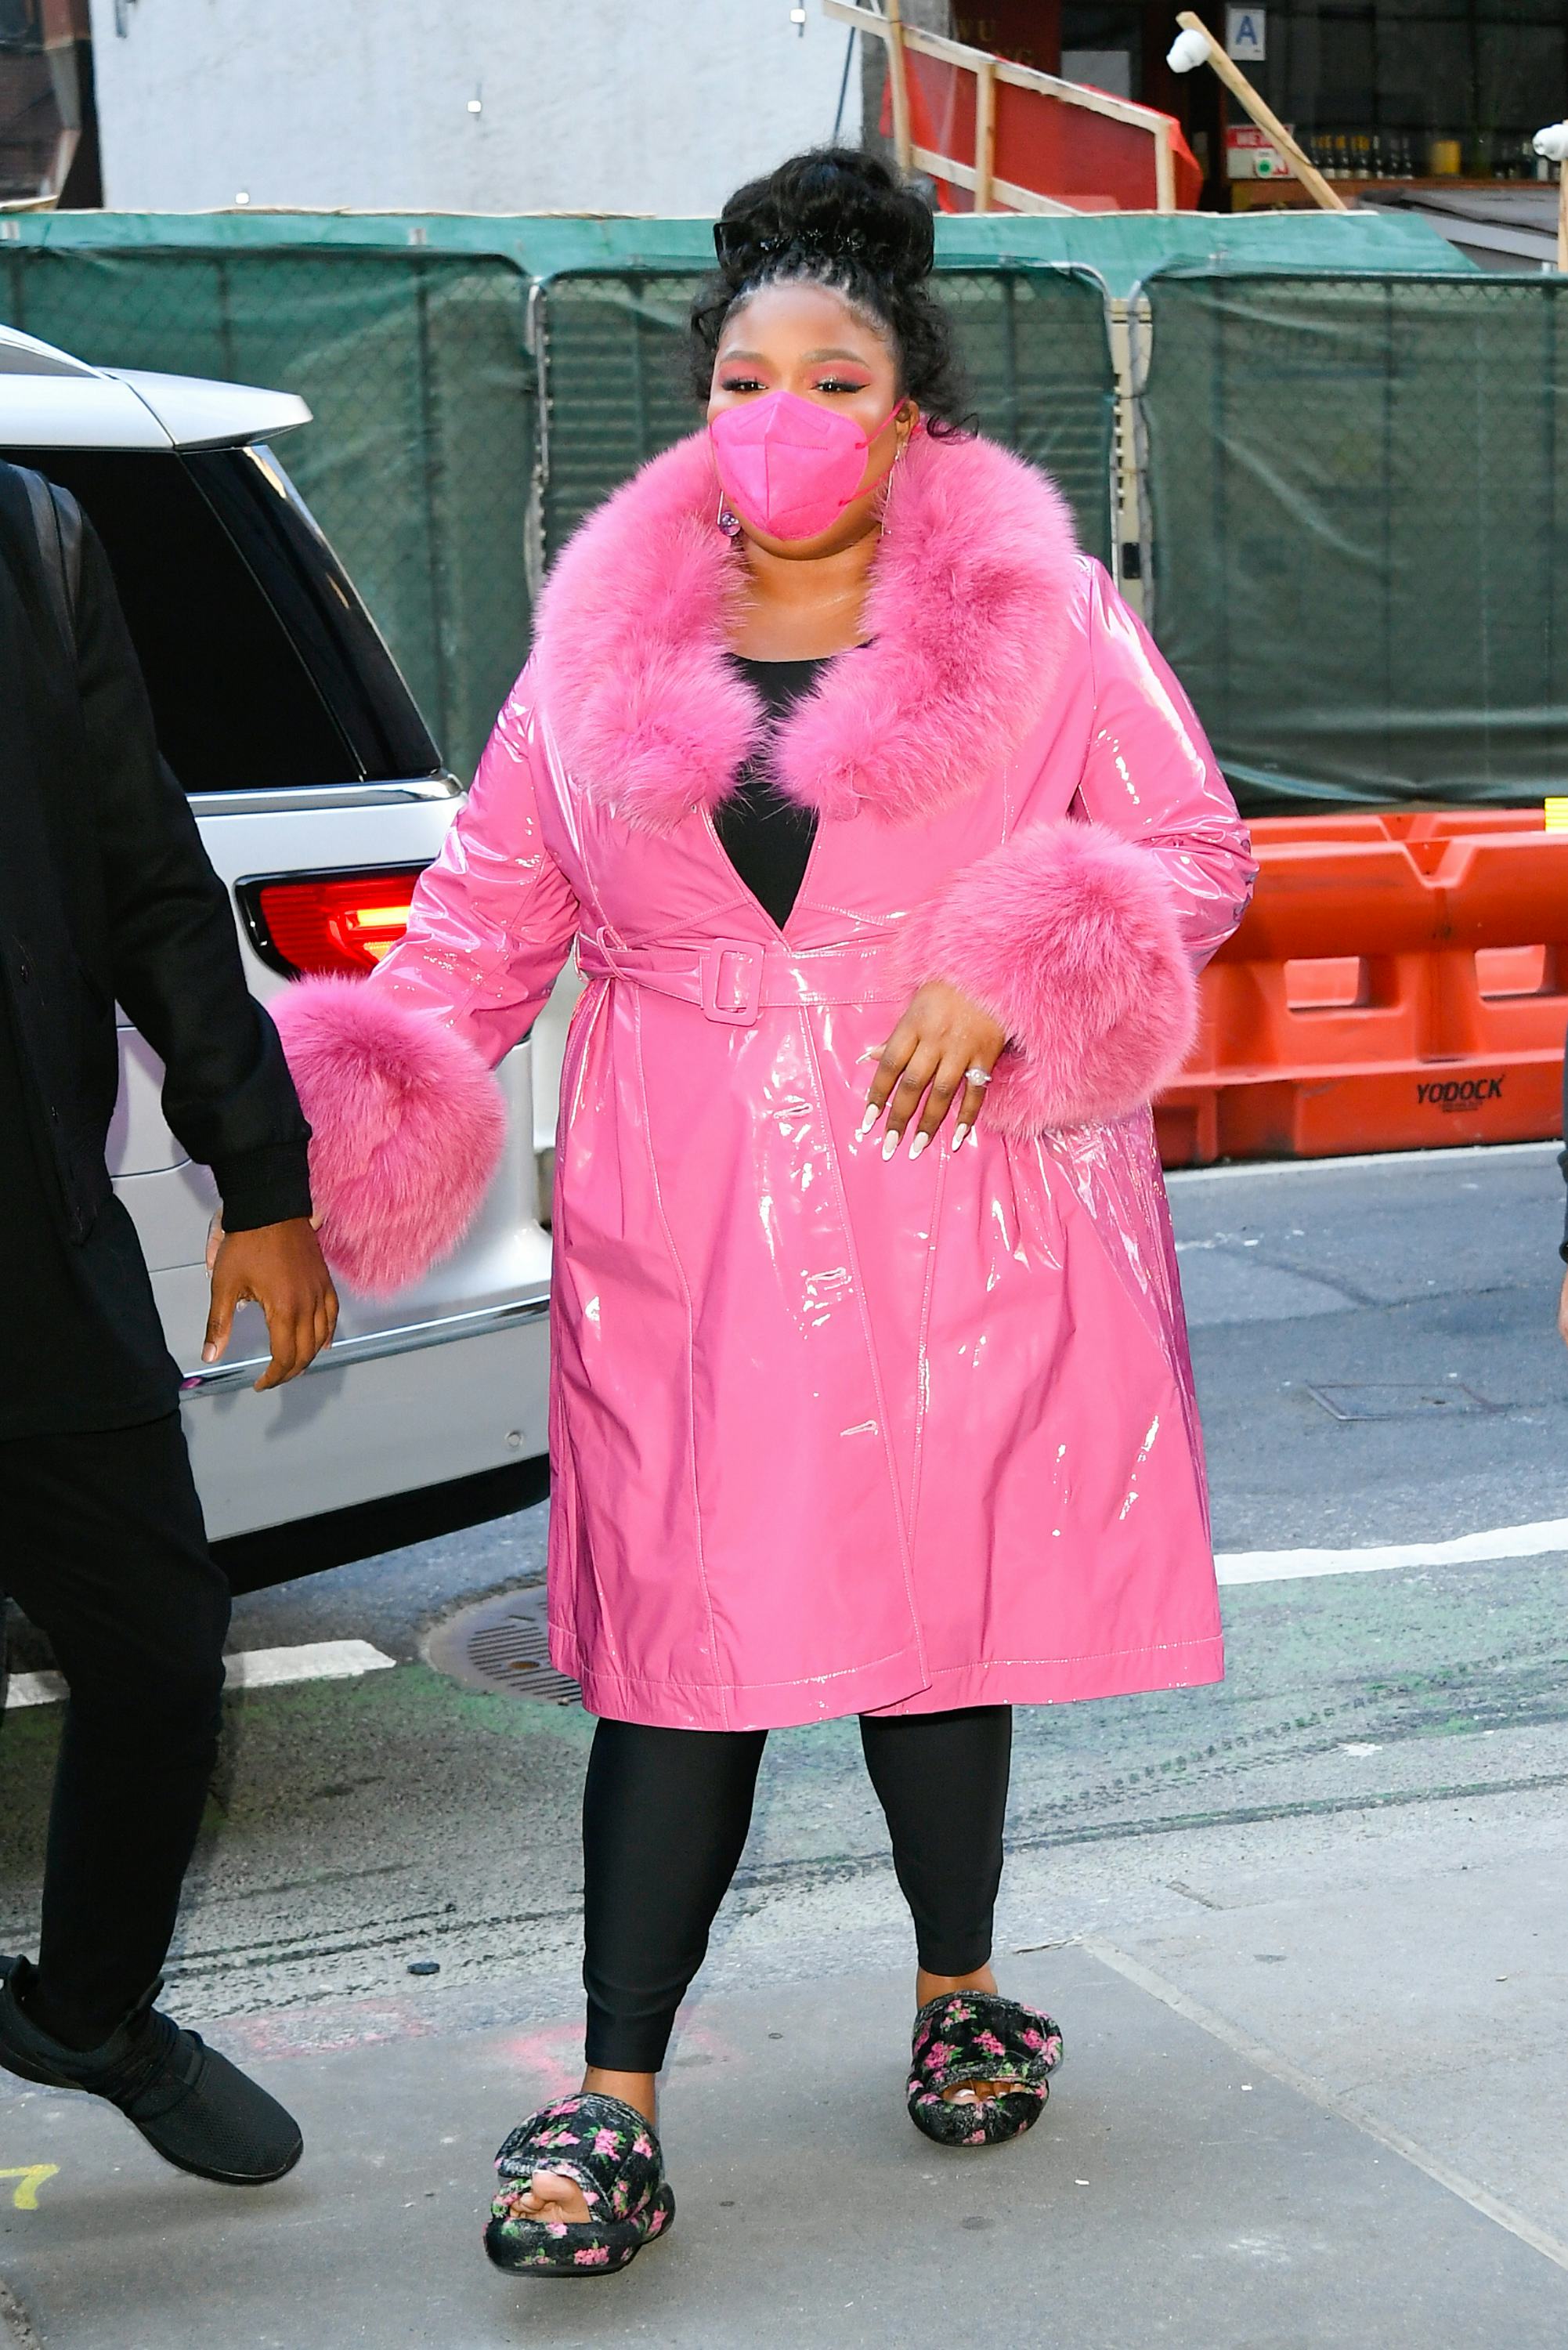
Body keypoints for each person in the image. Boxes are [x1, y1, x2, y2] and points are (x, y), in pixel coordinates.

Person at [274, 149, 1256, 2276]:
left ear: (911, 410)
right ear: (702, 400)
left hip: (953, 1192)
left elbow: (1185, 851)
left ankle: (953, 1985)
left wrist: (1001, 960)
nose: (784, 405)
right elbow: (477, 932)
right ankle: (613, 2099)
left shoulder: (1045, 619)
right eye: (742, 370)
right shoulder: (595, 657)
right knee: (684, 1650)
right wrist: (319, 1151)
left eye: (832, 370)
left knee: (930, 1613)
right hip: (695, 1207)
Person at [0, 459, 338, 2183]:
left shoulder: (34, 541)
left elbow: (144, 878)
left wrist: (262, 1180)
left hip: (29, 1253)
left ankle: (87, 2011)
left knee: (153, 1646)